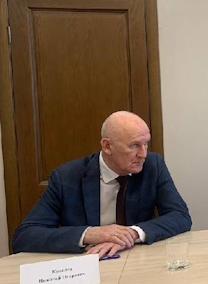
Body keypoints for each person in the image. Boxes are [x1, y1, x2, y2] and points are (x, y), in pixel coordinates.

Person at [12, 111, 192, 258]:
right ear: (107, 146)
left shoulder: (153, 166)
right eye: (134, 145)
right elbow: (25, 236)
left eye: (146, 144)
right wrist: (90, 234)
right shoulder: (66, 177)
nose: (143, 154)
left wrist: (132, 234)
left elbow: (180, 216)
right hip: (88, 263)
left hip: (138, 260)